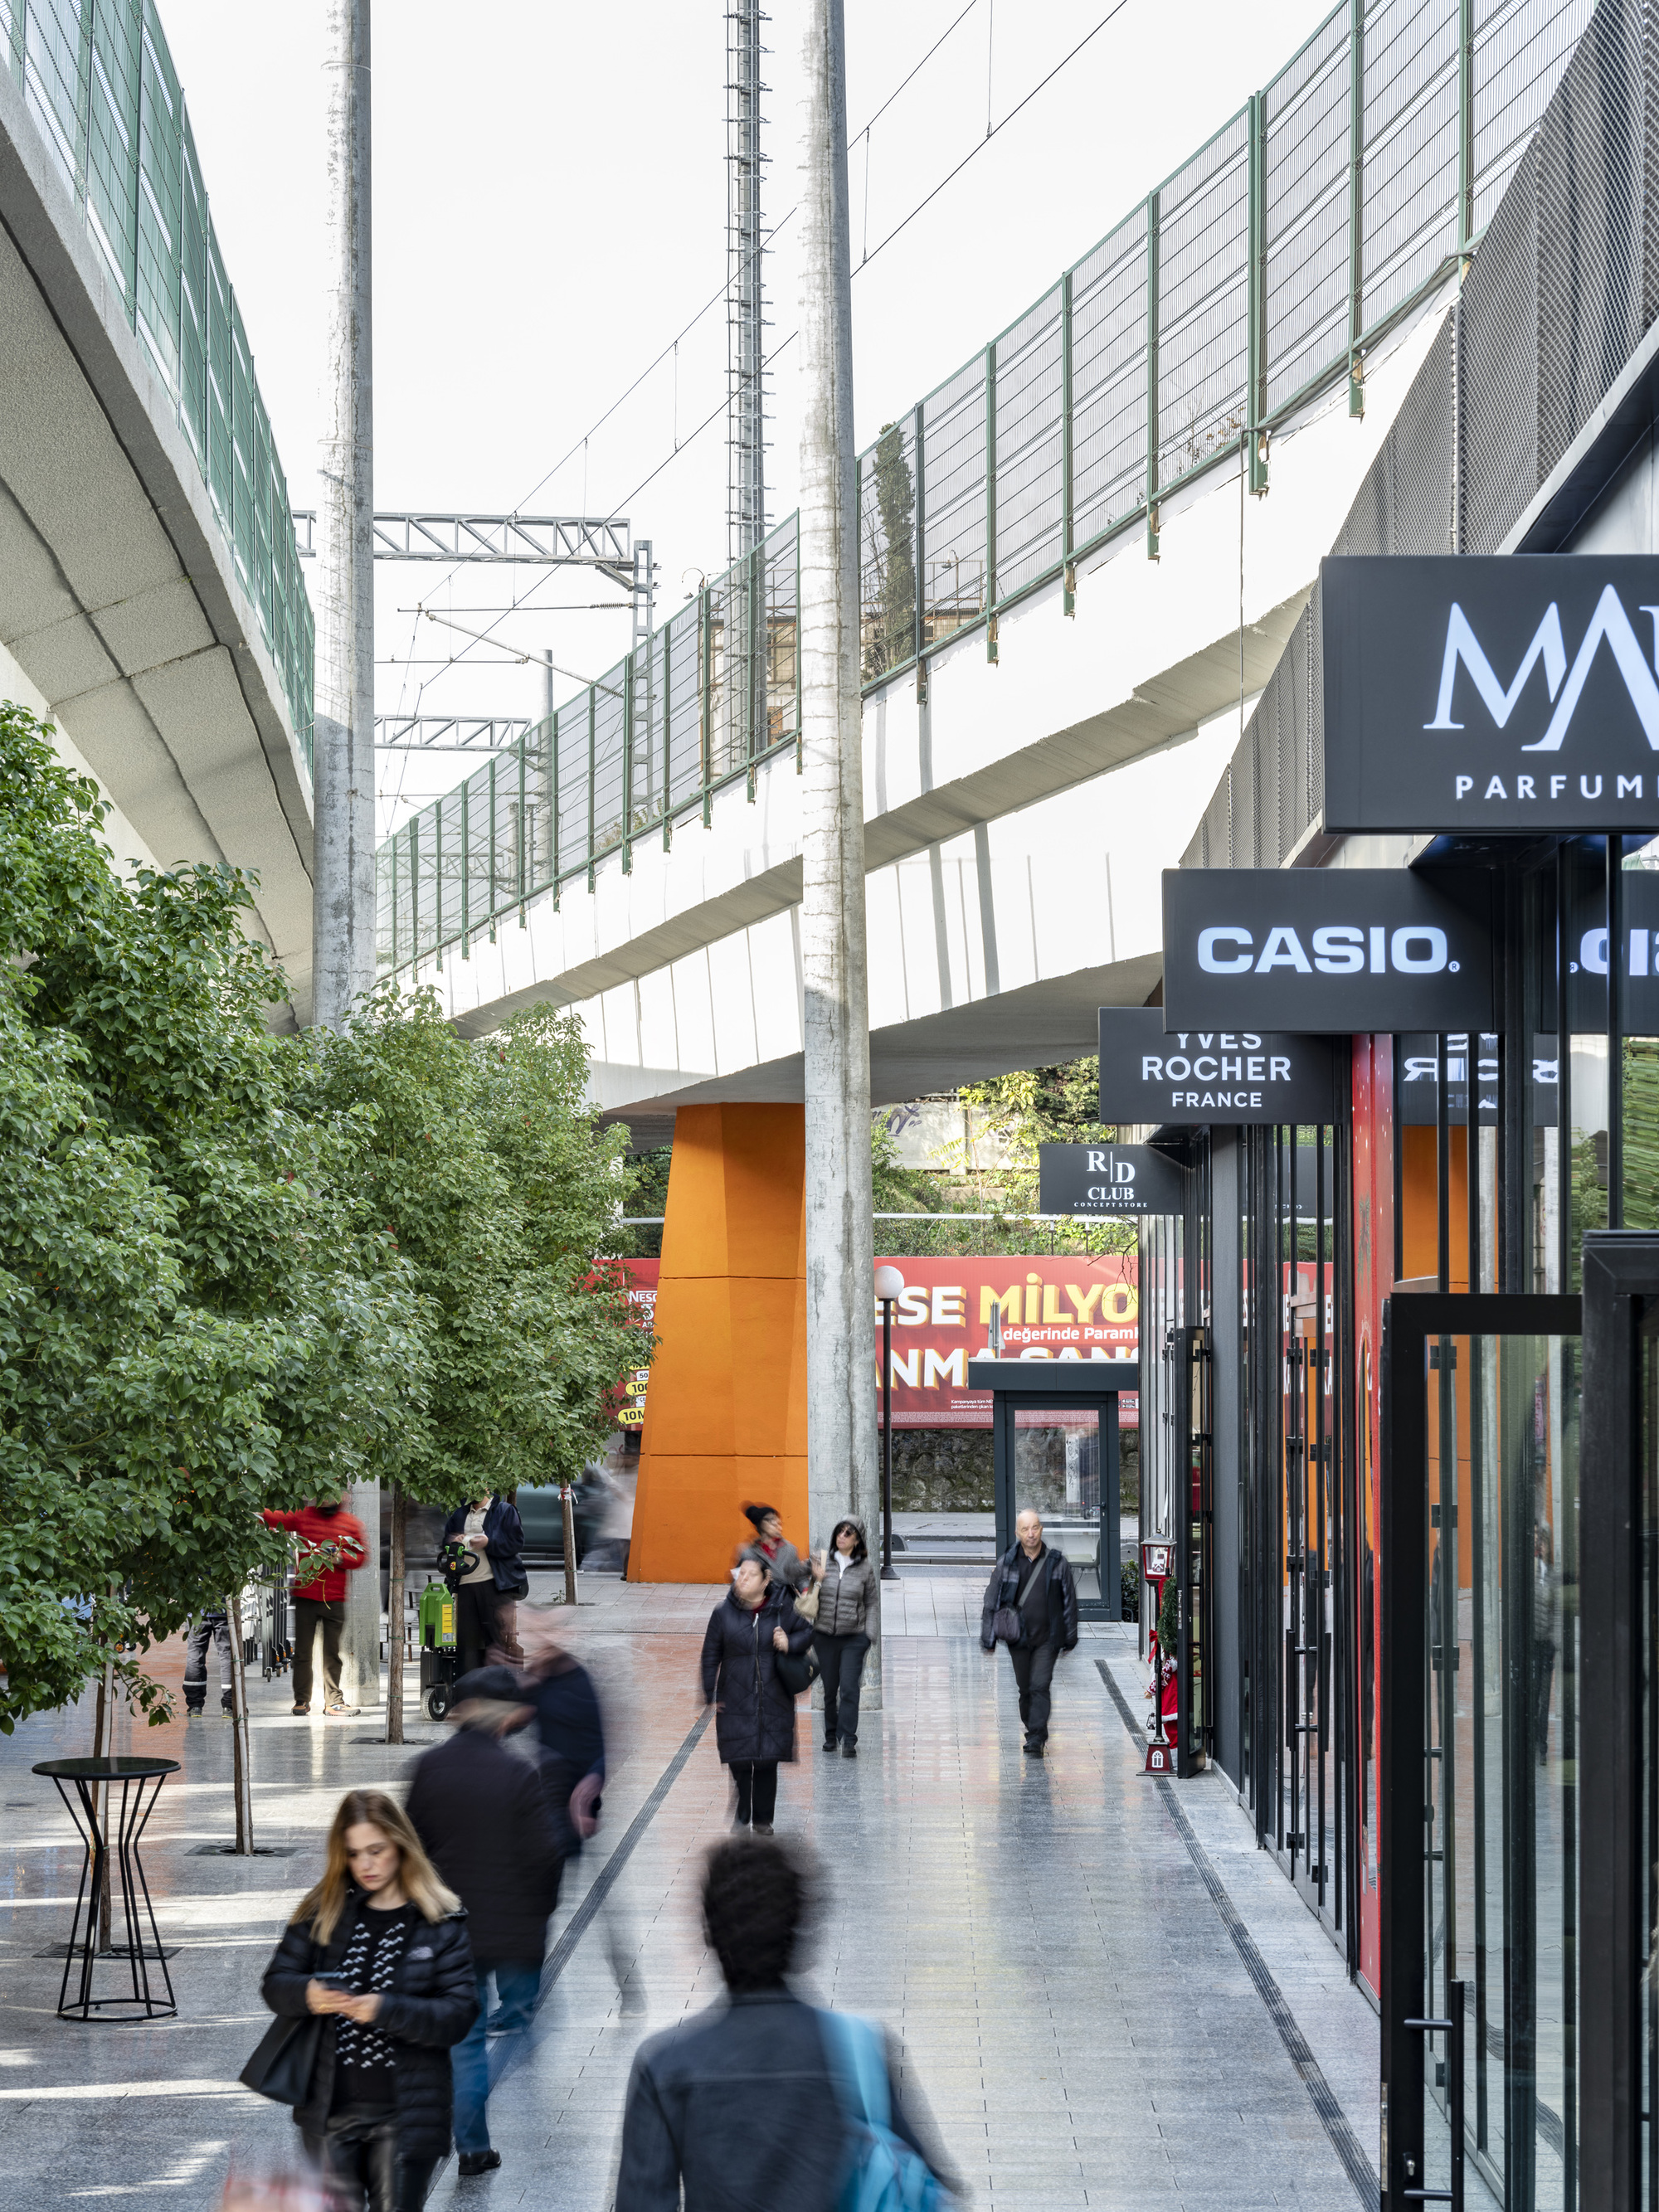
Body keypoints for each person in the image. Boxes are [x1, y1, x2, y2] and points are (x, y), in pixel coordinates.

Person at [615, 1835, 950, 2212]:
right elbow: (925, 2187)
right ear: (799, 1930)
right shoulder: (862, 2051)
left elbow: (641, 2203)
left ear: (710, 1932)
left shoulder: (664, 2066)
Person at [258, 1788, 476, 2210]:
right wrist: (308, 1994)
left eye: (376, 1850)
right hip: (328, 2113)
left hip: (407, 2115)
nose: (366, 1865)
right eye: (354, 1854)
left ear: (401, 1843)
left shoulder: (440, 1920)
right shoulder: (323, 1911)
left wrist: (385, 2009)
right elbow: (275, 1984)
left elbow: (459, 2014)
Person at [406, 1666, 564, 2180]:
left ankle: (469, 2143)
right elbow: (545, 1857)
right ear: (502, 1720)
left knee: (464, 2039)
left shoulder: (428, 1768)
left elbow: (411, 1853)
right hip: (513, 1931)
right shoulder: (519, 1775)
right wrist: (540, 1914)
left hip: (450, 1931)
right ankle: (472, 2133)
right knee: (516, 2027)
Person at [702, 1555, 811, 1832]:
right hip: (735, 1698)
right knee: (739, 1760)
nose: (743, 1579)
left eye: (751, 1574)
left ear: (766, 1580)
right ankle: (742, 1809)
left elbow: (808, 1633)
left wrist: (789, 1642)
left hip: (773, 1699)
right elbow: (710, 1653)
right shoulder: (722, 1613)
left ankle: (763, 1819)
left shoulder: (782, 1609)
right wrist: (709, 1692)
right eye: (741, 1573)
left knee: (766, 1763)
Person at [980, 1507, 1078, 1757]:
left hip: (1048, 1637)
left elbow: (1069, 1600)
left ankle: (1036, 1736)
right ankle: (1033, 1727)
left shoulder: (1056, 1562)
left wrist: (1070, 1637)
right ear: (1017, 1533)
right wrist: (988, 1637)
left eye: (1035, 1527)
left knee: (1039, 1685)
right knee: (1025, 1688)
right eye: (1025, 1529)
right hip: (1018, 1638)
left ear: (1041, 1529)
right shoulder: (1007, 1562)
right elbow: (992, 1601)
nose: (1031, 1533)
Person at [260, 1495, 369, 1717]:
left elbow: (361, 1557)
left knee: (332, 1653)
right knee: (302, 1652)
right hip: (306, 1595)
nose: (329, 1499)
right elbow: (275, 1518)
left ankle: (334, 1702)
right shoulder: (304, 1515)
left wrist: (340, 1559)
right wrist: (247, 1502)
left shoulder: (350, 1523)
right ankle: (302, 1700)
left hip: (334, 1598)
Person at [810, 1519, 878, 1758]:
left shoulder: (865, 1568)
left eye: (849, 1533)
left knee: (849, 1688)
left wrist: (869, 1635)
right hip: (824, 1635)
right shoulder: (821, 1560)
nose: (843, 1536)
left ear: (857, 1539)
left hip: (854, 1638)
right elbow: (791, 1574)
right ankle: (830, 1735)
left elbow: (871, 1602)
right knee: (830, 1689)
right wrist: (812, 1575)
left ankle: (849, 1738)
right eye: (840, 1531)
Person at [440, 1491, 527, 1678]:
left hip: (494, 1584)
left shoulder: (504, 1511)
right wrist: (453, 1541)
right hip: (465, 1583)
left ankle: (498, 1687)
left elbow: (516, 1543)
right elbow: (445, 1540)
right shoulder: (460, 1513)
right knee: (466, 1641)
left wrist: (489, 1542)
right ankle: (469, 1691)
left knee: (495, 1639)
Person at [737, 1502, 811, 1594]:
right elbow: (738, 1583)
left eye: (776, 1520)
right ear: (761, 1525)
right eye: (770, 1520)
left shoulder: (789, 1549)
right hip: (760, 1602)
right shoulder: (749, 1552)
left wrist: (805, 1590)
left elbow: (799, 1578)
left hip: (785, 1602)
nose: (776, 1523)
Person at [184, 1606, 235, 1718]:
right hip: (225, 1612)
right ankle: (229, 1706)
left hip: (196, 1612)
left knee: (195, 1657)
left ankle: (195, 1706)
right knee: (227, 1657)